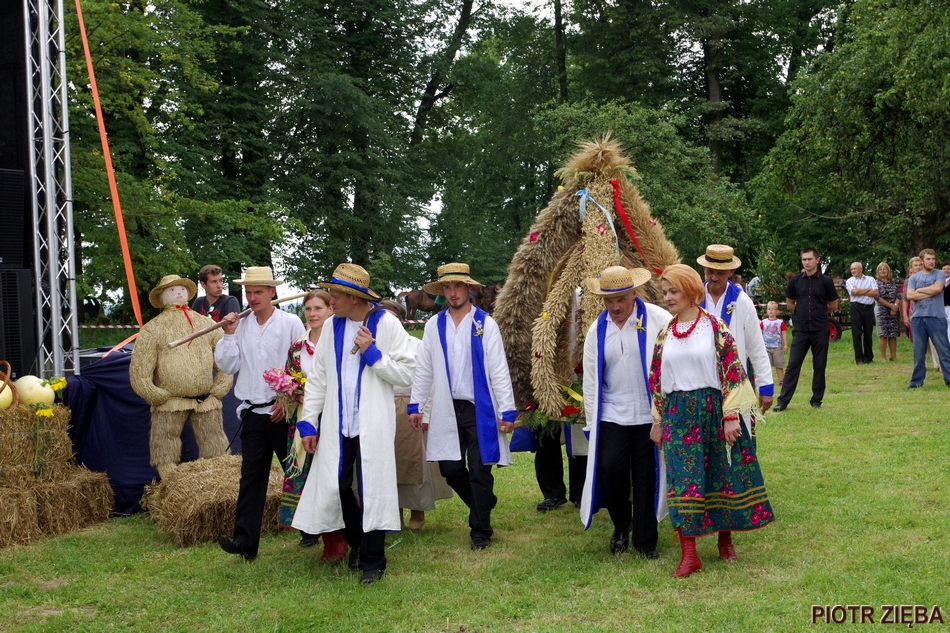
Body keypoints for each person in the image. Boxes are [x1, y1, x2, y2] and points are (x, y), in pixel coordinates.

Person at [291, 264, 416, 585]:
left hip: (373, 423)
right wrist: (309, 423)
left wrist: (372, 353)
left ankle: (373, 561)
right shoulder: (332, 326)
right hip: (337, 424)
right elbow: (318, 379)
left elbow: (408, 373)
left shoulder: (386, 323)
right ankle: (357, 542)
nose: (330, 300)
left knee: (374, 487)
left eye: (335, 295)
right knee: (335, 485)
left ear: (354, 298)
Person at [649, 264, 775, 578]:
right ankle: (689, 555)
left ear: (691, 291)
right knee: (683, 480)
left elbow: (733, 371)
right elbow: (656, 379)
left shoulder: (715, 328)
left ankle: (725, 539)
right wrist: (657, 421)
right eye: (665, 292)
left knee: (721, 474)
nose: (667, 297)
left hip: (712, 410)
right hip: (678, 415)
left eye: (673, 291)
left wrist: (730, 416)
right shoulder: (665, 333)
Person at [408, 262, 517, 551]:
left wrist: (507, 410)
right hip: (447, 407)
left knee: (480, 470)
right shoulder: (434, 325)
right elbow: (424, 369)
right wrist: (416, 405)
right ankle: (484, 502)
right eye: (447, 287)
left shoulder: (485, 324)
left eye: (458, 286)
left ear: (468, 288)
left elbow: (498, 369)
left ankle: (480, 530)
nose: (453, 292)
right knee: (450, 469)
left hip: (478, 408)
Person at [578, 266, 672, 559]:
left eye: (621, 299)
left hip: (648, 415)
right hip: (612, 414)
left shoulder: (658, 319)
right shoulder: (597, 330)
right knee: (611, 469)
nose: (615, 306)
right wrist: (591, 423)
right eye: (609, 300)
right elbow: (590, 380)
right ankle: (621, 527)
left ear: (634, 294)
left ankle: (646, 540)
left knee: (646, 476)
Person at [215, 267, 305, 561]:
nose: (252, 297)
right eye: (248, 292)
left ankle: (311, 529)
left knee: (297, 474)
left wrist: (287, 399)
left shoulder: (290, 323)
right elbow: (227, 366)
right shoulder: (240, 326)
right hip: (252, 412)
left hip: (283, 412)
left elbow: (301, 363)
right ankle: (245, 543)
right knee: (251, 478)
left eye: (258, 292)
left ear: (272, 292)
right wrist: (228, 334)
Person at [130, 274, 233, 480]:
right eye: (171, 290)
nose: (177, 293)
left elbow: (225, 358)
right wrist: (154, 394)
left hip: (205, 400)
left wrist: (221, 384)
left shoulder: (206, 324)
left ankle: (217, 478)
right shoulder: (153, 329)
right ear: (162, 297)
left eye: (181, 289)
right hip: (170, 402)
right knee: (164, 441)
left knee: (214, 440)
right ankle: (170, 479)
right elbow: (140, 369)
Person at [376, 299, 453, 532]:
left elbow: (430, 380)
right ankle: (395, 511)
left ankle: (417, 509)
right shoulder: (372, 347)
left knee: (413, 462)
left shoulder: (415, 345)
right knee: (388, 463)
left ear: (400, 322)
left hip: (410, 408)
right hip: (382, 407)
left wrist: (426, 412)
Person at [279, 290, 345, 557]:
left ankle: (341, 533)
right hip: (305, 418)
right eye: (308, 309)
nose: (312, 314)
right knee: (306, 474)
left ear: (331, 310)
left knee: (332, 476)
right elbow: (290, 380)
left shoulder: (339, 340)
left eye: (318, 308)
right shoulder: (298, 347)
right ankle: (315, 532)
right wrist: (295, 394)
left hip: (335, 417)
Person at [698, 245, 773, 412]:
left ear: (731, 272)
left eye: (720, 273)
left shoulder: (743, 301)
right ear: (704, 269)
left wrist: (765, 385)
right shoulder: (693, 298)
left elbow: (756, 345)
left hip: (733, 382)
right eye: (710, 271)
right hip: (699, 384)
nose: (714, 277)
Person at [773, 248, 839, 412]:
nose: (807, 262)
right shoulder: (795, 281)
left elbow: (833, 305)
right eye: (804, 259)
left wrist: (818, 312)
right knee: (793, 365)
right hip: (801, 330)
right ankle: (783, 401)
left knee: (819, 366)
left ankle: (816, 400)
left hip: (820, 329)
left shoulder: (826, 281)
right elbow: (790, 303)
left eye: (809, 259)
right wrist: (801, 313)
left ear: (817, 260)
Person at [905, 249, 950, 389]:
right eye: (928, 259)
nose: (931, 261)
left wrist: (918, 291)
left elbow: (938, 289)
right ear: (921, 260)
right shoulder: (914, 278)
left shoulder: (939, 273)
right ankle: (916, 382)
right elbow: (910, 295)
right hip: (918, 318)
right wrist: (928, 292)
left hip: (936, 317)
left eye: (933, 259)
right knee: (918, 353)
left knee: (944, 351)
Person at [845, 262, 879, 364]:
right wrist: (868, 290)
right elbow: (854, 292)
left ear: (861, 269)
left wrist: (860, 291)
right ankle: (859, 359)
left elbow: (876, 292)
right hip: (856, 307)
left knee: (868, 333)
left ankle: (868, 357)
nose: (853, 271)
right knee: (857, 333)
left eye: (855, 268)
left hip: (868, 308)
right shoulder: (850, 281)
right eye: (851, 269)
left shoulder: (870, 279)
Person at [873, 263, 901, 362]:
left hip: (894, 310)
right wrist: (890, 306)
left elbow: (898, 295)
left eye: (884, 269)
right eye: (880, 269)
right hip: (882, 310)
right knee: (883, 334)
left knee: (893, 334)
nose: (882, 271)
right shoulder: (875, 283)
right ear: (878, 272)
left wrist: (895, 307)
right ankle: (883, 357)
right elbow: (877, 297)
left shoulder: (893, 282)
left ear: (888, 270)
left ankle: (893, 356)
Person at [760, 301, 788, 386]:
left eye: (773, 309)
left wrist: (786, 345)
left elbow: (784, 333)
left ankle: (781, 381)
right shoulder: (763, 322)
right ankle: (767, 381)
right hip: (766, 347)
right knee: (766, 365)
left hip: (777, 347)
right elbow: (759, 333)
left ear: (777, 311)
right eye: (769, 309)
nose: (771, 311)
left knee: (779, 364)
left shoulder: (780, 322)